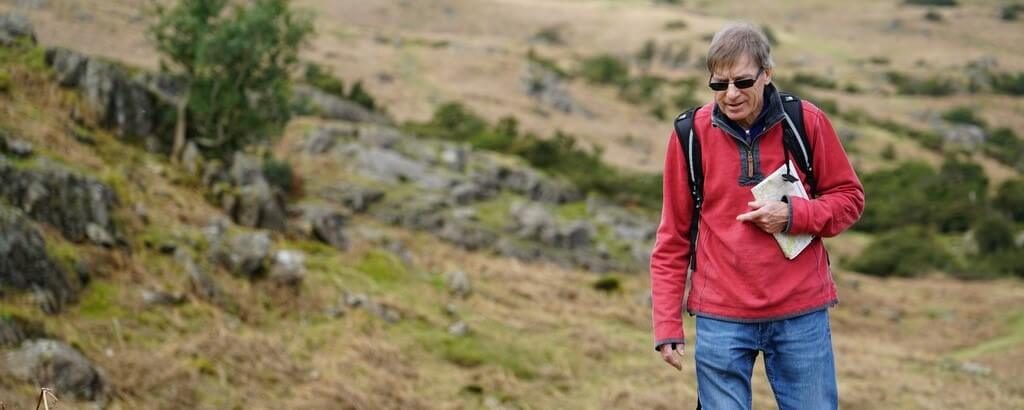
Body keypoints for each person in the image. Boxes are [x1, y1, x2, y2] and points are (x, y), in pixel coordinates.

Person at [649, 22, 865, 409]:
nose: (730, 95)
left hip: (801, 313)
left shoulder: (806, 121)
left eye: (743, 82)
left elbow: (849, 199)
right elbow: (672, 238)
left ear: (768, 74)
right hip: (720, 316)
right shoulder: (689, 134)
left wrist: (794, 215)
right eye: (719, 84)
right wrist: (667, 324)